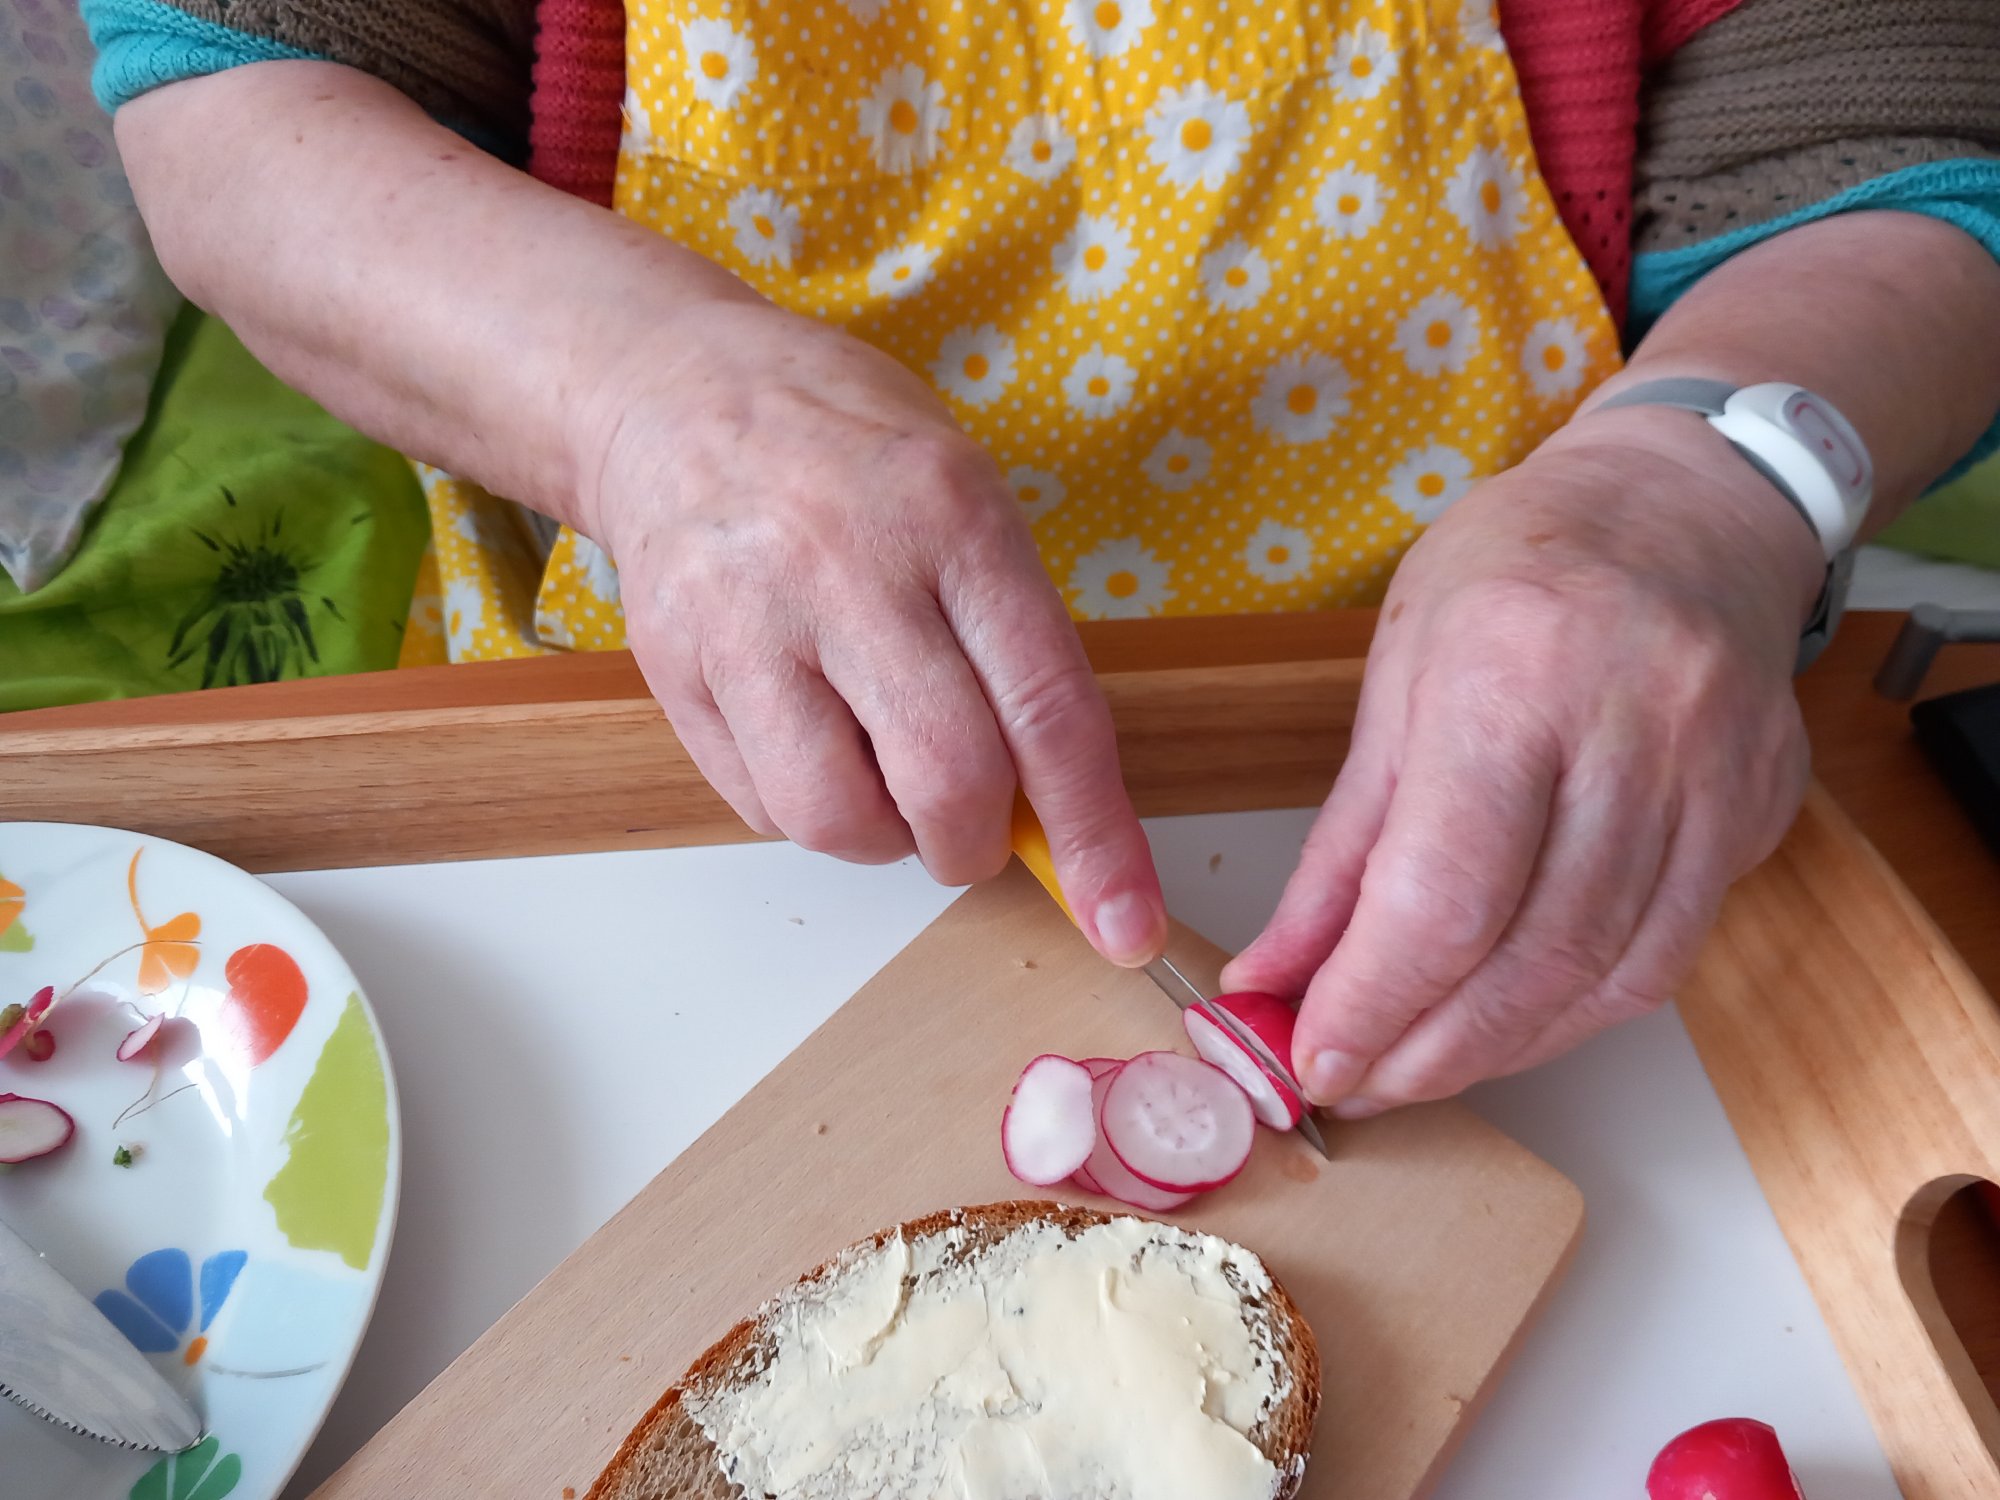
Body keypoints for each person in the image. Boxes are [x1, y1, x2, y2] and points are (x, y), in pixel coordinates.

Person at [86, 0, 2000, 1116]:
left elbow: (1914, 144)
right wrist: (646, 401)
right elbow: (238, 108)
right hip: (656, 772)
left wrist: (1688, 494)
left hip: (1553, 778)